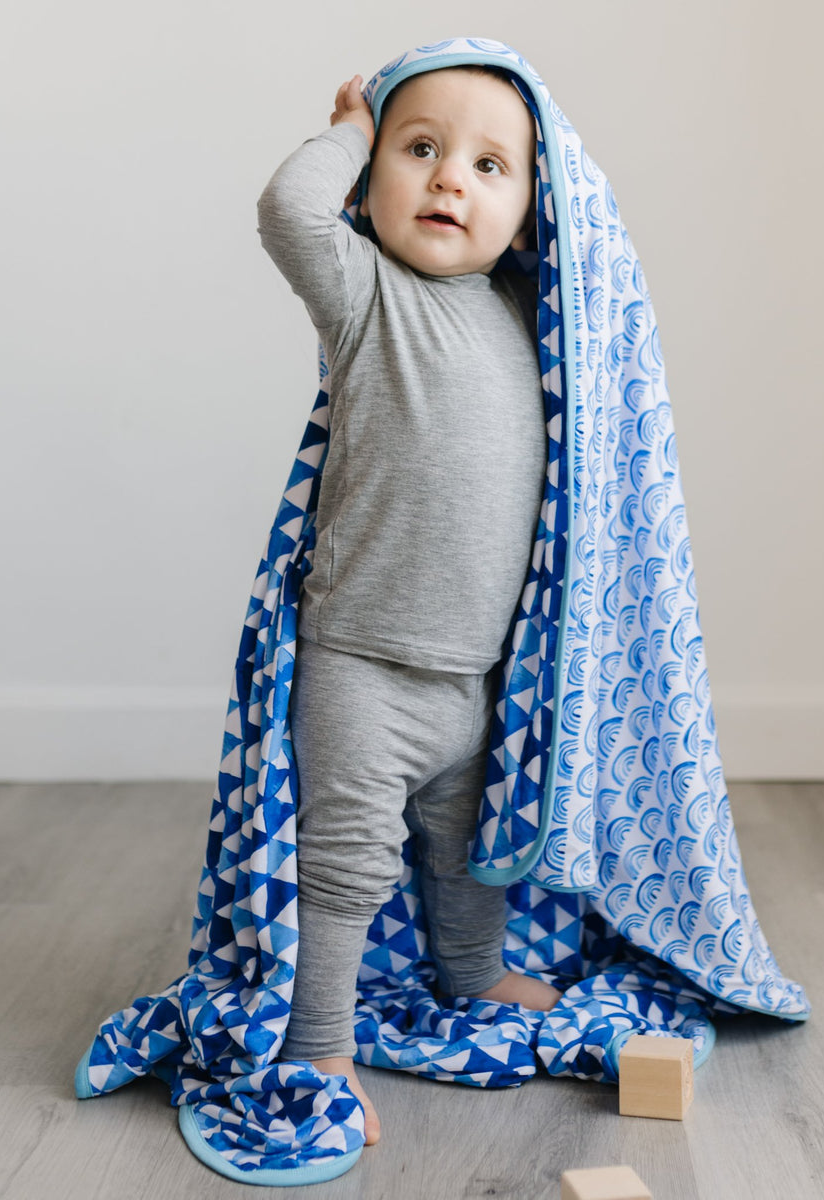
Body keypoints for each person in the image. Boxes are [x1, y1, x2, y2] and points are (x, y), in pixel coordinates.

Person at [256, 64, 563, 1147]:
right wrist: (345, 127)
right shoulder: (367, 294)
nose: (448, 182)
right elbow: (287, 210)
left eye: (490, 167)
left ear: (532, 210)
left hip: (477, 670)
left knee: (472, 839)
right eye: (417, 148)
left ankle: (472, 973)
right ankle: (317, 1046)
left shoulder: (533, 321)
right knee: (345, 864)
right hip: (364, 660)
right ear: (373, 177)